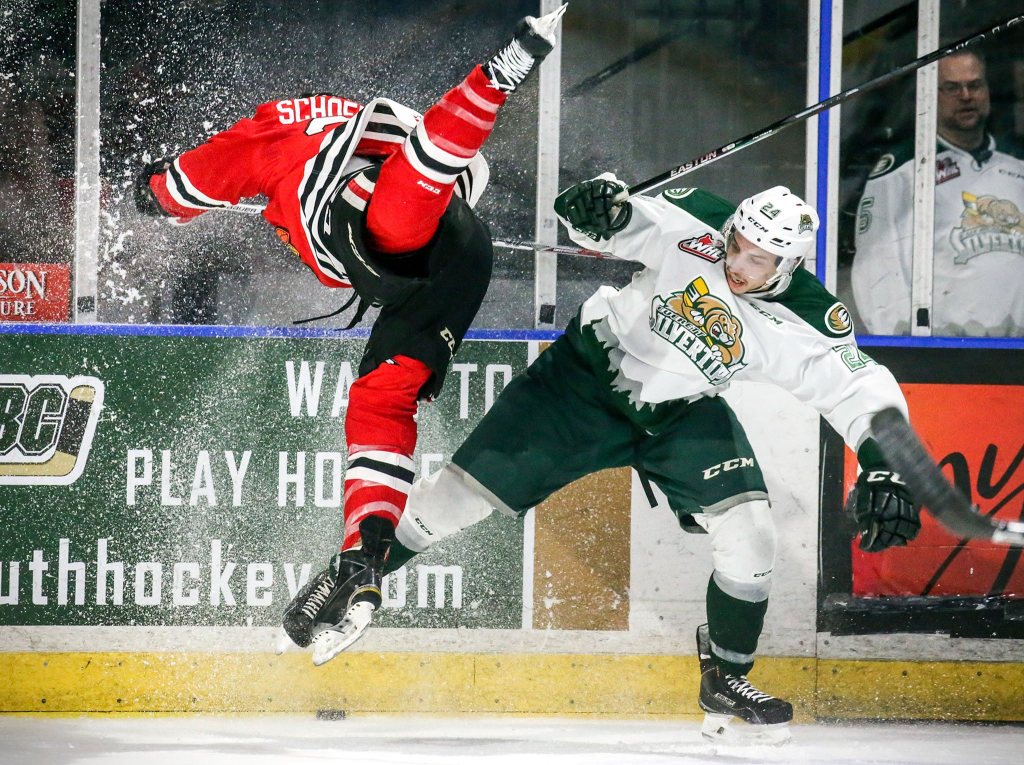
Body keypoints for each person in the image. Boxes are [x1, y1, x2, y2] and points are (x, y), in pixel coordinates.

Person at [343, 177, 920, 744]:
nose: (739, 263)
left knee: (751, 535)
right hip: (584, 380)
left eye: (760, 260)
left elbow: (860, 389)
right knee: (453, 502)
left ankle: (725, 677)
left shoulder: (807, 319)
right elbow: (622, 221)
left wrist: (884, 466)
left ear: (788, 266)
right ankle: (347, 579)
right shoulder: (701, 222)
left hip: (680, 412)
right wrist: (594, 207)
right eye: (737, 245)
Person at [133, 7, 568, 658]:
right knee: (378, 400)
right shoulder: (333, 137)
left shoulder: (286, 132)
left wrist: (155, 187)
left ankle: (364, 553)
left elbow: (186, 185)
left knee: (408, 207)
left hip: (398, 237)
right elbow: (438, 159)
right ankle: (363, 555)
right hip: (456, 259)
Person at [852, 49, 1024, 336]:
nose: (966, 96)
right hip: (947, 356)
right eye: (952, 88)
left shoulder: (1017, 164)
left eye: (975, 85)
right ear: (930, 95)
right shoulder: (904, 169)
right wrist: (904, 349)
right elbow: (876, 271)